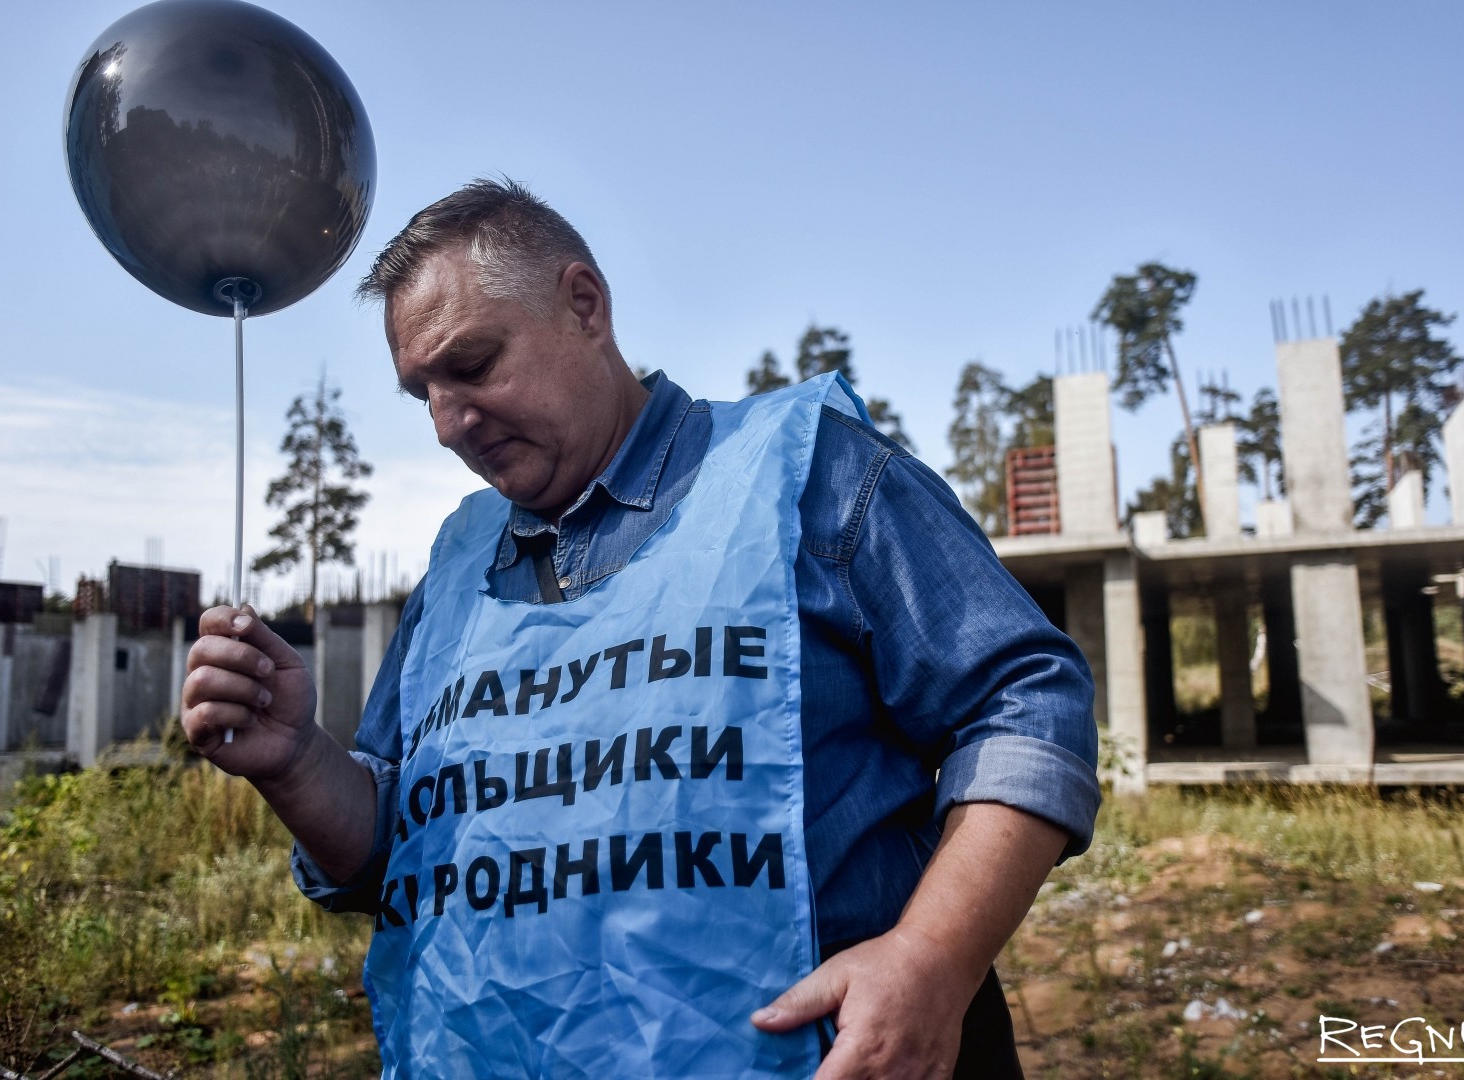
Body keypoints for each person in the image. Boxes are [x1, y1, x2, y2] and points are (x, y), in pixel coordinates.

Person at [182, 179, 1100, 1079]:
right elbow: (400, 854)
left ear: (585, 305)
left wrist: (934, 959)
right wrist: (298, 762)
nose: (447, 424)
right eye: (421, 391)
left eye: (471, 365)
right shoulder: (458, 574)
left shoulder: (804, 479)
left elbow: (1024, 706)